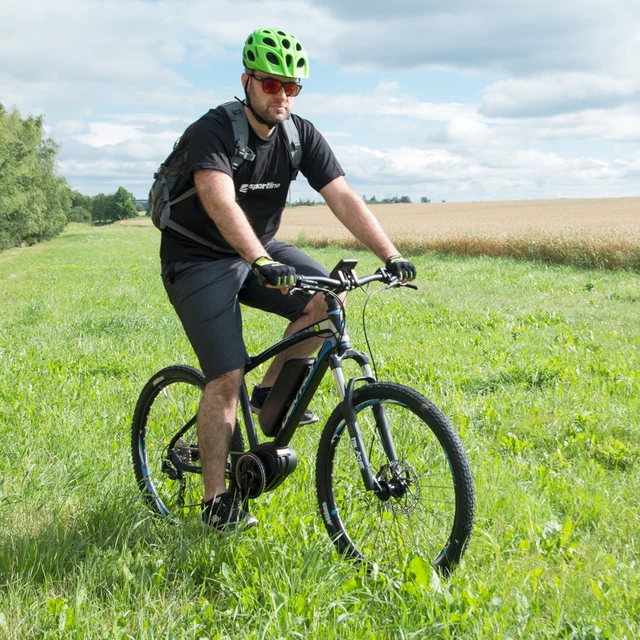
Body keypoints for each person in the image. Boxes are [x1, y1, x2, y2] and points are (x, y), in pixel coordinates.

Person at [160, 27, 416, 532]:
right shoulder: (214, 130)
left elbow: (342, 195)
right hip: (198, 258)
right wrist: (258, 259)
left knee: (329, 302)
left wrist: (389, 253)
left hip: (261, 249)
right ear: (247, 82)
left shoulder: (300, 135)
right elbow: (218, 200)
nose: (281, 96)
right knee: (225, 375)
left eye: (291, 87)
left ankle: (269, 401)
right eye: (271, 85)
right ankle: (217, 502)